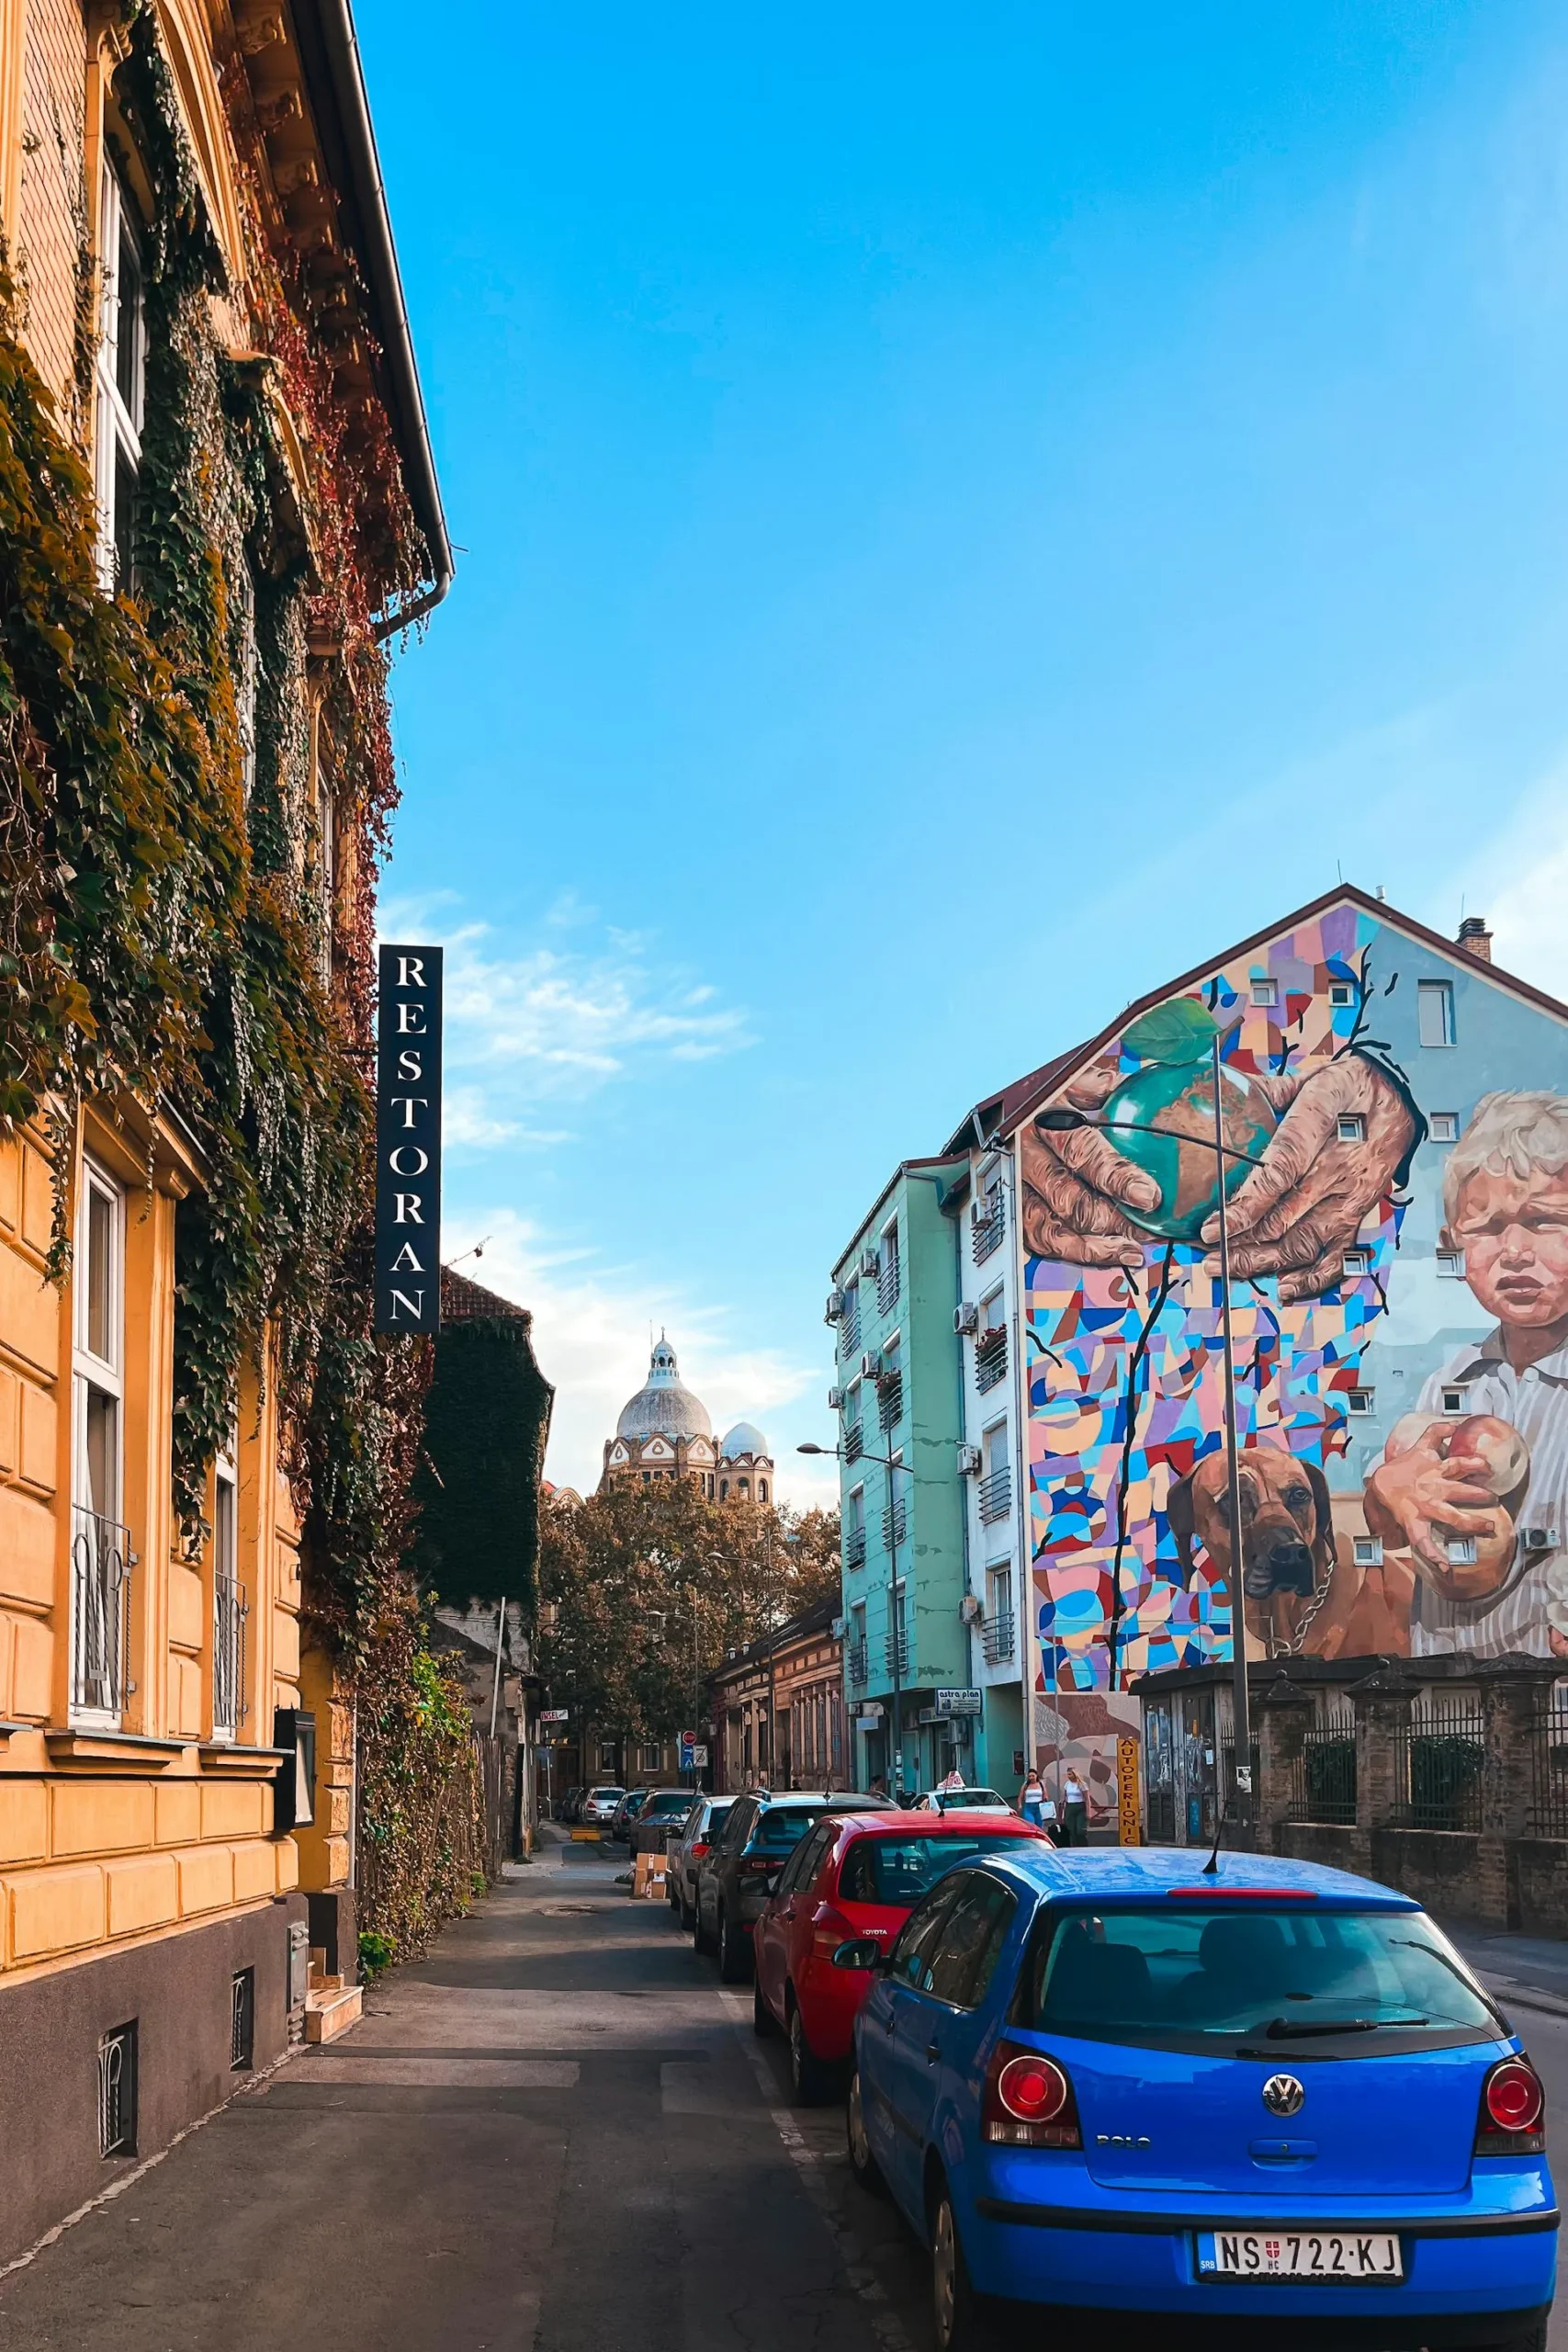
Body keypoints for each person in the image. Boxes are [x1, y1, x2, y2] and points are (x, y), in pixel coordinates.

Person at [1365, 1091, 1568, 1657]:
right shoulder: (1452, 1387)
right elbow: (1393, 1528)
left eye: (1544, 1221)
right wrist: (1388, 1494)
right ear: (1454, 1241)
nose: (1516, 1252)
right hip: (1447, 1700)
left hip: (1550, 1708)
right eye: (1487, 1227)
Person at [1062, 1768, 1089, 1846]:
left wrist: (1088, 1812)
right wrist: (1063, 1811)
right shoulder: (1067, 1784)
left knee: (1080, 1830)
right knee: (1071, 1829)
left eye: (1070, 1774)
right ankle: (1074, 1846)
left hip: (1080, 1806)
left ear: (1074, 1774)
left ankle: (1084, 1846)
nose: (1068, 1776)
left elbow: (1087, 1799)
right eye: (1067, 1774)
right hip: (1070, 1806)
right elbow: (1064, 1797)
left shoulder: (1082, 1784)